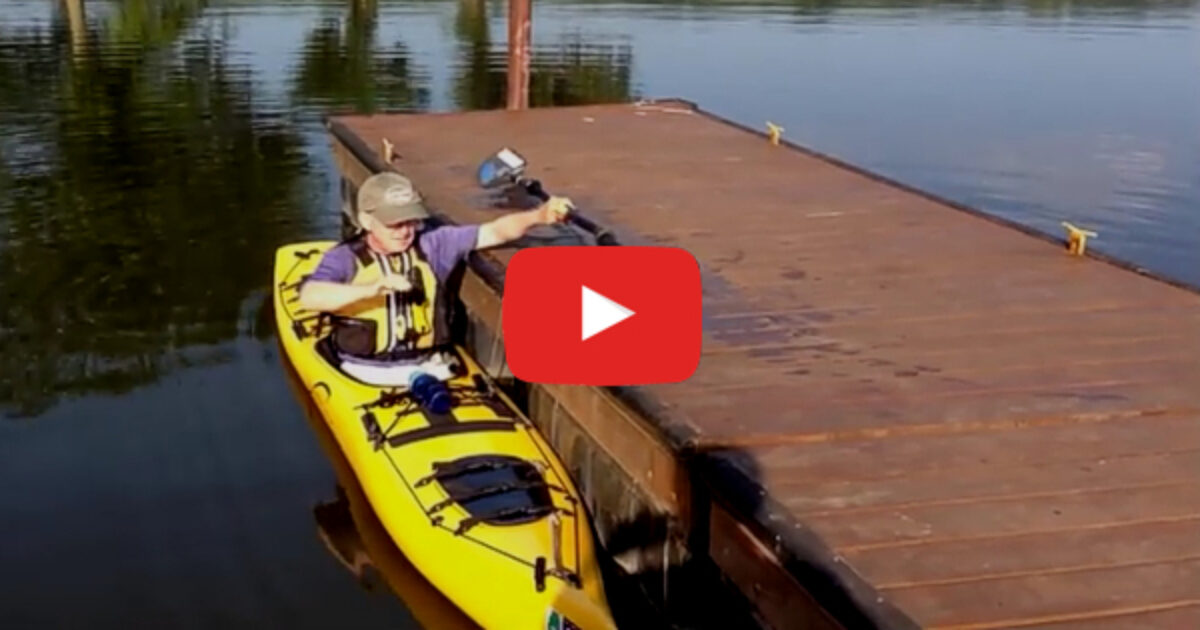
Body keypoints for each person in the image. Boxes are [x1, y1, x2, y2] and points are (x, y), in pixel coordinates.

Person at [299, 171, 570, 381]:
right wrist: (371, 289)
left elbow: (495, 232)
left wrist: (539, 215)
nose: (405, 232)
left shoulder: (434, 243)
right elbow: (310, 296)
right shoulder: (344, 258)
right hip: (364, 369)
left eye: (411, 221)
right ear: (367, 221)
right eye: (394, 223)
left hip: (428, 365)